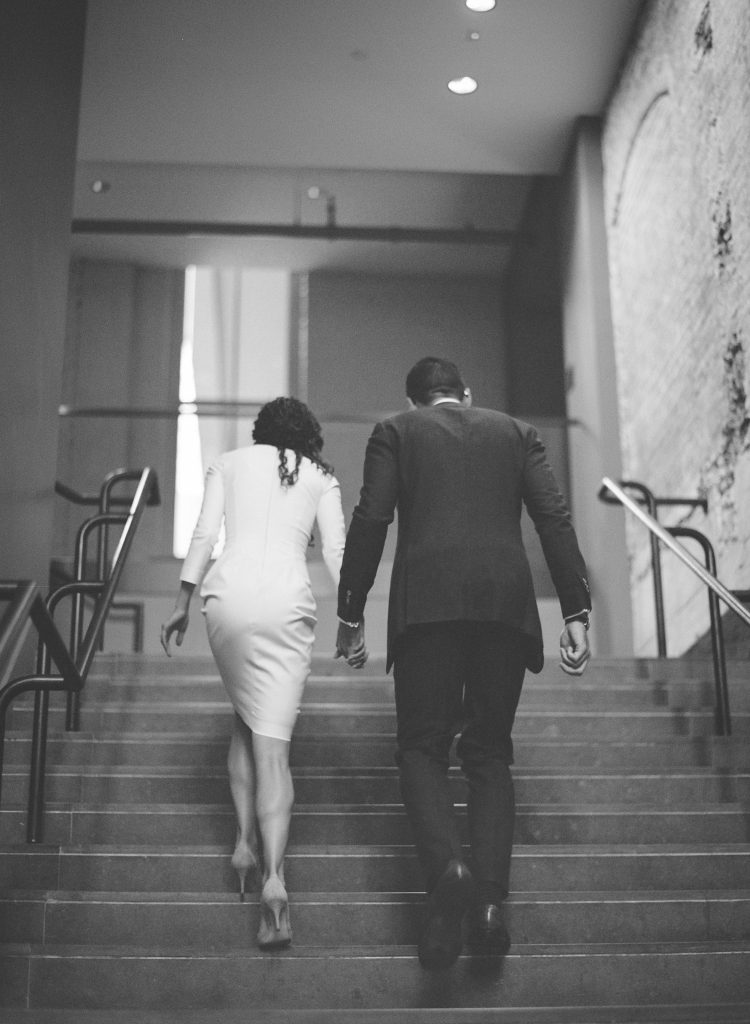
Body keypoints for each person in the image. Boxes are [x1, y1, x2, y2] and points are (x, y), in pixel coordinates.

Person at [335, 356, 591, 970]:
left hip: (427, 607)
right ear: (466, 395)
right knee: (488, 750)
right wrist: (576, 611)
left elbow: (371, 516)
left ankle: (448, 867)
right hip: (505, 605)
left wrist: (350, 611)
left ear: (417, 399)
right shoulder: (516, 432)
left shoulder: (396, 431)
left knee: (422, 747)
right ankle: (487, 908)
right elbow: (552, 516)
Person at [161, 397, 346, 951]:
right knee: (274, 748)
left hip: (227, 599)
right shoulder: (320, 477)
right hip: (287, 604)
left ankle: (243, 843)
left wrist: (180, 600)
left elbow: (203, 534)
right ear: (307, 436)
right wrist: (354, 619)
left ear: (259, 431)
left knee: (245, 716)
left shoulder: (229, 462)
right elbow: (338, 552)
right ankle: (273, 880)